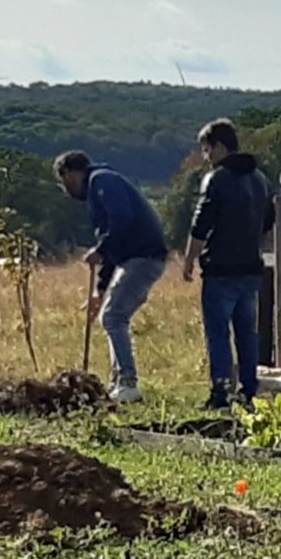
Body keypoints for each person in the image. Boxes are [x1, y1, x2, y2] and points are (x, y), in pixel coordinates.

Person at [54, 150, 168, 403]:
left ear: (71, 173)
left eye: (65, 182)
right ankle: (119, 383)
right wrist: (100, 288)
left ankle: (127, 383)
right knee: (113, 316)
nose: (67, 190)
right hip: (136, 257)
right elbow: (113, 244)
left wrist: (100, 250)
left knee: (113, 317)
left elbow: (121, 220)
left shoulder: (102, 181)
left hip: (143, 257)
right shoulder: (101, 185)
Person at [182, 118, 275, 409]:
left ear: (220, 147)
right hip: (250, 267)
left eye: (207, 150)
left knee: (218, 333)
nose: (206, 157)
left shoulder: (216, 180)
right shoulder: (260, 179)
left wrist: (188, 260)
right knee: (247, 333)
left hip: (221, 269)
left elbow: (201, 225)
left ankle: (221, 391)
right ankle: (249, 390)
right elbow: (268, 220)